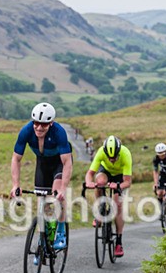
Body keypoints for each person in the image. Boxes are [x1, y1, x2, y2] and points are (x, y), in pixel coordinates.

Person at [10, 102, 73, 250]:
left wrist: (63, 188)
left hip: (59, 163)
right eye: (36, 123)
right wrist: (15, 184)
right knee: (42, 203)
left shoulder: (59, 132)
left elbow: (67, 163)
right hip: (42, 164)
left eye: (43, 125)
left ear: (51, 123)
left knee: (56, 195)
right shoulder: (26, 131)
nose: (39, 128)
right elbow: (16, 158)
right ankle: (43, 239)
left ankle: (61, 231)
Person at [85, 135, 132, 257]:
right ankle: (100, 210)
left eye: (114, 157)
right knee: (99, 183)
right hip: (105, 172)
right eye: (109, 157)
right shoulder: (101, 152)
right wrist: (90, 182)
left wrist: (117, 186)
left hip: (120, 177)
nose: (112, 160)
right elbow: (90, 173)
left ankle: (119, 242)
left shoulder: (126, 154)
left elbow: (127, 182)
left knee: (118, 205)